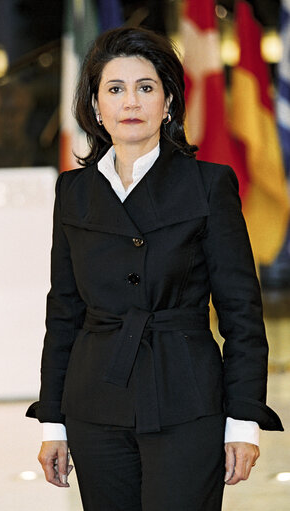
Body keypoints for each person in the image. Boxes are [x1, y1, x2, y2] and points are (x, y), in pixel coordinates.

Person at [26, 26, 283, 510]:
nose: (131, 102)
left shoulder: (209, 185)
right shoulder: (73, 191)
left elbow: (242, 313)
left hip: (187, 401)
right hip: (95, 404)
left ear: (168, 104)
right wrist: (53, 422)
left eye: (146, 88)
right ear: (96, 106)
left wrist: (244, 420)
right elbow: (63, 311)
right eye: (115, 89)